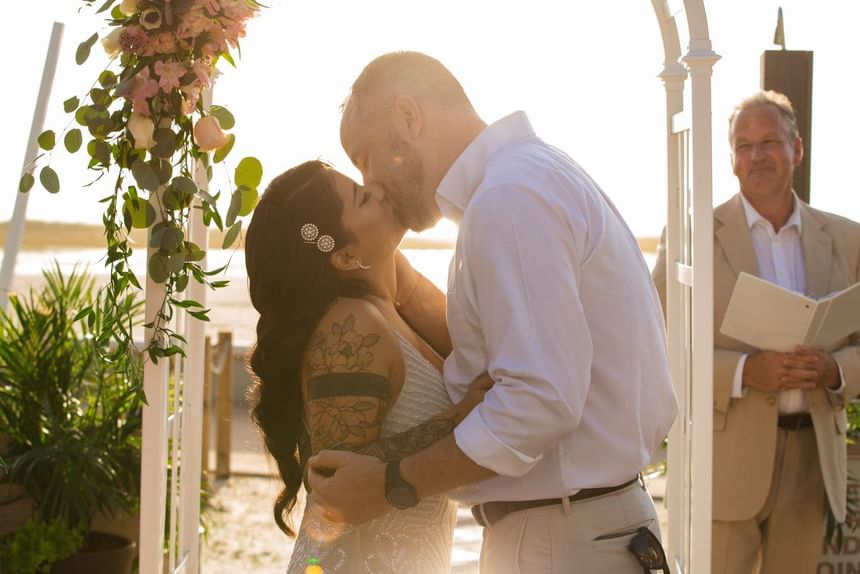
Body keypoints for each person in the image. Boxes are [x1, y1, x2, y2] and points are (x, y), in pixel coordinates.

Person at [307, 51, 678, 572]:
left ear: (409, 119)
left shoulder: (508, 199)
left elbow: (539, 401)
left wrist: (392, 484)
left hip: (561, 541)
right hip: (587, 528)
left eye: (364, 156)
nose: (370, 182)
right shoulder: (529, 178)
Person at [244, 160, 493, 573]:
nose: (376, 188)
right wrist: (461, 419)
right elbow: (336, 479)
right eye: (362, 197)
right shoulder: (350, 328)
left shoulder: (386, 311)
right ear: (343, 255)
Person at [652, 90, 860, 573]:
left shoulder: (848, 239)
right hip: (725, 464)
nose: (757, 155)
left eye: (769, 141)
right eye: (743, 146)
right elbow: (657, 344)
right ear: (731, 159)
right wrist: (746, 371)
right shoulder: (691, 236)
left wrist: (833, 370)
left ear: (797, 150)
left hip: (812, 461)